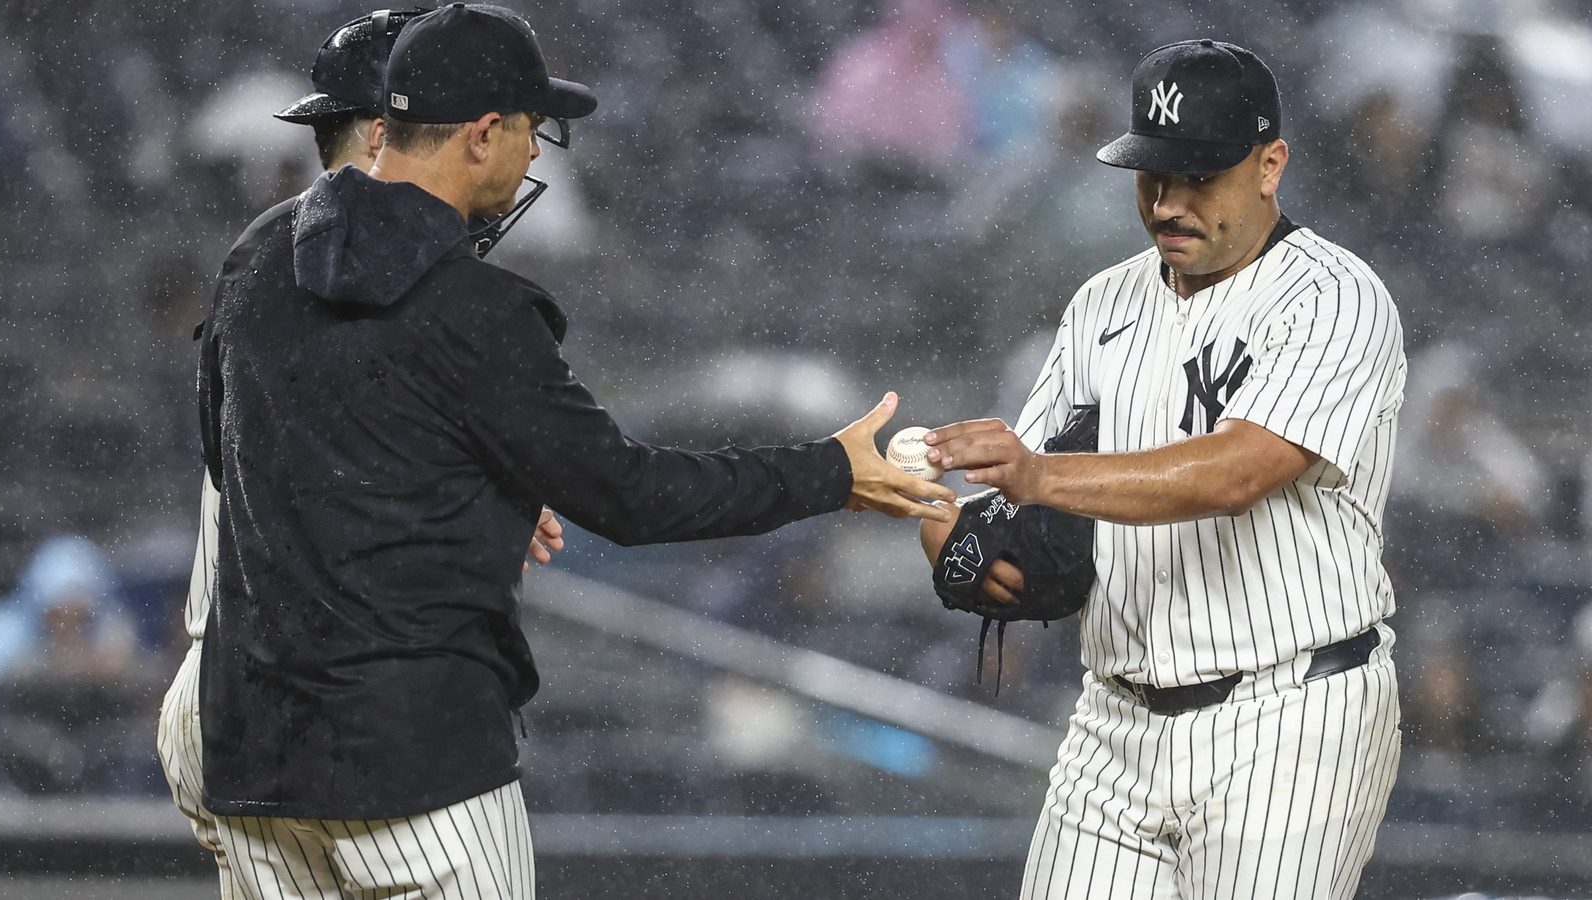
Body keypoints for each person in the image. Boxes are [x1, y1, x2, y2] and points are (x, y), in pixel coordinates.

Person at [193, 6, 953, 900]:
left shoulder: (257, 255)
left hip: (255, 758)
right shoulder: (477, 309)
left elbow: (234, 449)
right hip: (417, 769)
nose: (535, 157)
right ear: (483, 133)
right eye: (531, 130)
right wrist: (833, 471)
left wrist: (462, 484)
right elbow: (633, 497)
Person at [921, 41, 1406, 899]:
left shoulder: (1335, 295)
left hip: (1291, 715)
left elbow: (1239, 471)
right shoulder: (1101, 304)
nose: (1169, 202)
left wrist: (1035, 477)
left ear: (1269, 165)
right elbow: (1018, 518)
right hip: (1113, 721)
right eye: (1153, 175)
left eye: (1199, 177)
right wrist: (943, 530)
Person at [155, 10, 435, 896]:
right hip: (301, 703)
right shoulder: (339, 275)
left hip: (231, 690)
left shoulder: (265, 262)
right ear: (387, 133)